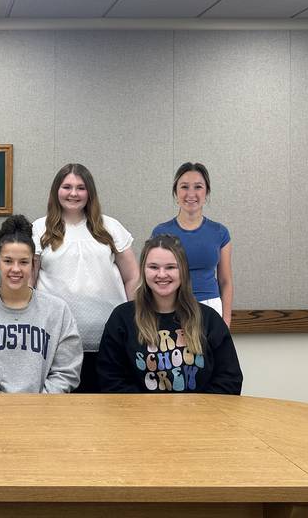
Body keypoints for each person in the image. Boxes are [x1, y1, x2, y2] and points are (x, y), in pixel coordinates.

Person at [32, 164, 138, 392]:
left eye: (81, 188)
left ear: (90, 192)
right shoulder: (39, 229)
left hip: (109, 341)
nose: (73, 193)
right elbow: (29, 284)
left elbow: (133, 277)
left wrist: (135, 320)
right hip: (56, 343)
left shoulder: (110, 227)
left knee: (106, 413)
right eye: (67, 187)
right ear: (56, 191)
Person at [97, 234, 242, 394]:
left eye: (170, 267)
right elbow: (111, 379)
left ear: (183, 271)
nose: (161, 274)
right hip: (140, 417)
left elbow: (229, 379)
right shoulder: (122, 318)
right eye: (153, 267)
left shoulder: (209, 319)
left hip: (199, 416)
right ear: (143, 271)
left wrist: (197, 411)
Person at [0, 215, 82, 393]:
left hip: (46, 412)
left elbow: (66, 370)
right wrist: (1, 408)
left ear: (33, 264)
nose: (15, 269)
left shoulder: (58, 311)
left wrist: (38, 407)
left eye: (23, 262)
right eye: (7, 261)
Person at [152, 162, 233, 326]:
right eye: (184, 187)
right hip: (171, 305)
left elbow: (225, 281)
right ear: (176, 192)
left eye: (198, 187)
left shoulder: (220, 232)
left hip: (210, 307)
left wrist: (226, 319)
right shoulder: (160, 232)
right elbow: (152, 278)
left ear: (207, 192)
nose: (191, 193)